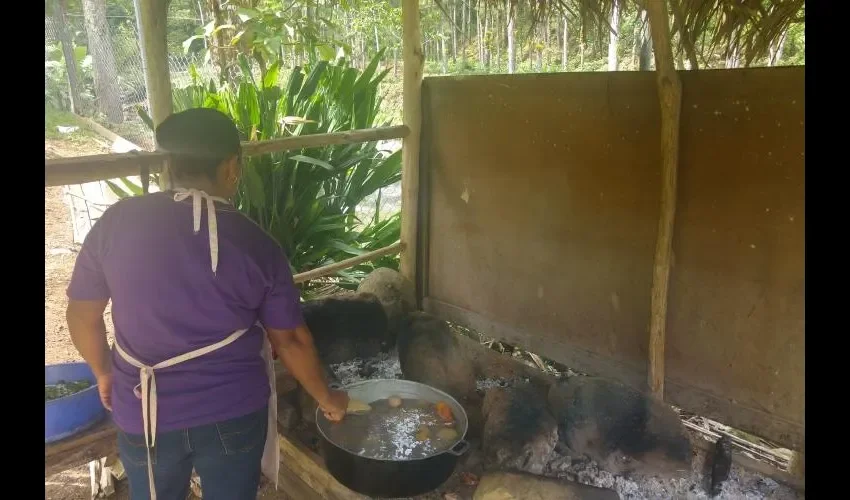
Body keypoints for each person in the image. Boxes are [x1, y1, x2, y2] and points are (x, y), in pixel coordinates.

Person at [65, 107, 349, 500]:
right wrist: (328, 399)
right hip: (231, 411)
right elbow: (291, 342)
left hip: (142, 408)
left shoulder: (116, 222)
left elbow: (82, 316)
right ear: (231, 167)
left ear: (168, 165)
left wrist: (104, 371)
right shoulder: (256, 244)